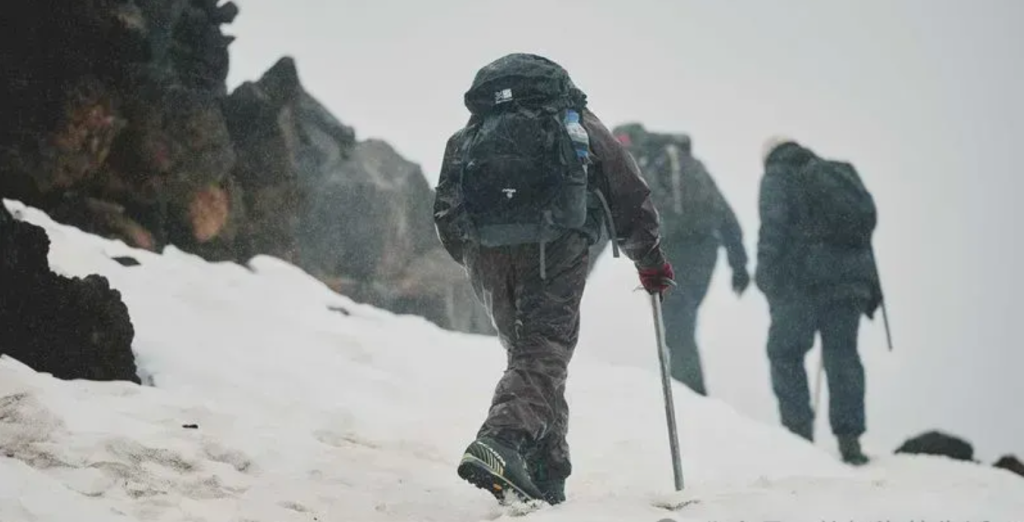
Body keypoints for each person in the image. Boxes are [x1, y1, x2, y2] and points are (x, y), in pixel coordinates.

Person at [432, 53, 673, 505]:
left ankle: (546, 472)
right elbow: (627, 192)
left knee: (533, 354)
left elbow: (445, 206)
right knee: (544, 347)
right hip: (554, 245)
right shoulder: (572, 119)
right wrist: (651, 261)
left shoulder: (473, 132)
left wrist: (474, 253)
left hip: (486, 250)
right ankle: (501, 440)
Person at [754, 136, 882, 465]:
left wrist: (765, 275)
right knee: (843, 355)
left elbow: (773, 225)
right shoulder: (836, 176)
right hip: (849, 285)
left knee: (785, 353)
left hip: (804, 280)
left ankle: (798, 438)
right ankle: (850, 440)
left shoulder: (779, 175)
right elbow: (863, 236)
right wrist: (870, 289)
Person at [612, 124, 749, 395]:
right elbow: (724, 211)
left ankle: (690, 392)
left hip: (672, 248)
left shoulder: (638, 166)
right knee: (681, 316)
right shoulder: (685, 161)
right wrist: (739, 263)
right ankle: (688, 388)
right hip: (705, 249)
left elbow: (617, 219)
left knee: (676, 319)